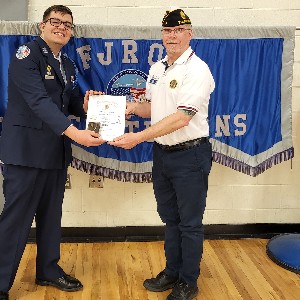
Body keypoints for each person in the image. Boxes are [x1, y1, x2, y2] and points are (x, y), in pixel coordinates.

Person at [0, 5, 105, 300]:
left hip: (54, 152)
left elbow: (68, 103)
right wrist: (75, 133)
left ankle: (48, 269)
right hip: (26, 152)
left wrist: (86, 105)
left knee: (50, 216)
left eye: (67, 24)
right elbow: (38, 102)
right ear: (42, 26)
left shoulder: (67, 65)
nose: (61, 27)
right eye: (54, 22)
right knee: (16, 219)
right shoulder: (27, 57)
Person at [109, 8, 215, 300]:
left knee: (190, 222)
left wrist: (138, 137)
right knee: (170, 218)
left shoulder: (198, 70)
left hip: (190, 155)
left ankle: (188, 281)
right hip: (163, 154)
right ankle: (172, 271)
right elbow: (152, 109)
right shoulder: (157, 68)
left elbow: (182, 117)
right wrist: (127, 108)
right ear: (162, 35)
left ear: (189, 34)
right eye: (167, 31)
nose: (172, 36)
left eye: (179, 31)